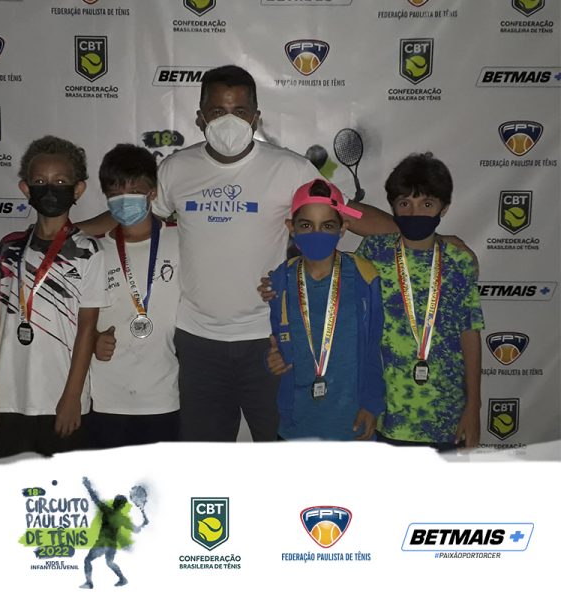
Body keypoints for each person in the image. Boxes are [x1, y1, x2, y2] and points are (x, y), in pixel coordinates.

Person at [150, 64, 394, 442]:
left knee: (278, 450)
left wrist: (425, 235)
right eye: (217, 111)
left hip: (268, 341)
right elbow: (138, 219)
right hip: (198, 341)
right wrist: (81, 229)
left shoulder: (289, 168)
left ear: (256, 116)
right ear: (200, 118)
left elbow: (349, 212)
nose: (229, 121)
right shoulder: (175, 169)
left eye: (240, 111)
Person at [0, 135, 109, 458]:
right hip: (12, 395)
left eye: (61, 181)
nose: (50, 189)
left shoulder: (88, 251)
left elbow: (87, 329)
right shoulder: (10, 247)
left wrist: (72, 397)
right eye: (40, 181)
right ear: (26, 189)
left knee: (61, 489)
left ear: (78, 190)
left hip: (60, 398)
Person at [356, 152, 484, 450]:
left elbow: (470, 333)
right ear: (393, 207)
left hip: (446, 416)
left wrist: (474, 406)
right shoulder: (373, 253)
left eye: (427, 204)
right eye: (405, 204)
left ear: (444, 208)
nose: (414, 213)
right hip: (385, 413)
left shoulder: (459, 261)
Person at [267, 179, 385, 440]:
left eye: (327, 226)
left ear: (343, 229)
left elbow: (375, 347)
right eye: (306, 225)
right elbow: (278, 344)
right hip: (296, 426)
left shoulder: (364, 278)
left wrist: (372, 404)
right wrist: (274, 359)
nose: (316, 233)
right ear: (291, 228)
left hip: (352, 424)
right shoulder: (280, 281)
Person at [88, 143, 180, 448]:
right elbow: (73, 318)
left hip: (165, 397)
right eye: (115, 193)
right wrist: (92, 339)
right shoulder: (93, 250)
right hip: (105, 398)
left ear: (153, 192)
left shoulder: (182, 239)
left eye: (135, 191)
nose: (125, 201)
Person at [80, 476, 148, 589]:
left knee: (87, 560)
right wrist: (143, 524)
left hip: (103, 543)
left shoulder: (107, 510)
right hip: (112, 545)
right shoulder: (122, 518)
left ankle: (89, 583)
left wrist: (88, 487)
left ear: (117, 504)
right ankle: (122, 579)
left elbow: (95, 499)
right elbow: (136, 530)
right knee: (109, 563)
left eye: (116, 501)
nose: (115, 502)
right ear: (122, 506)